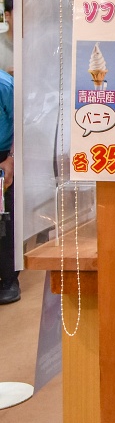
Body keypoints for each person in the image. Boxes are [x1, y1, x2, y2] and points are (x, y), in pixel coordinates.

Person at [0, 67, 15, 304]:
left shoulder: (4, 84)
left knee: (3, 221)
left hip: (3, 157)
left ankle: (9, 280)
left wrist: (12, 158)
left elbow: (23, 121)